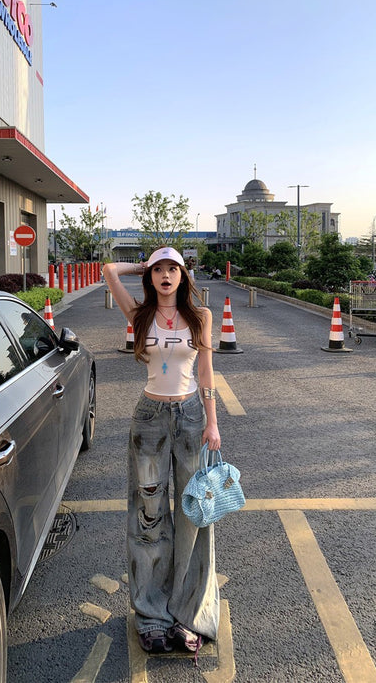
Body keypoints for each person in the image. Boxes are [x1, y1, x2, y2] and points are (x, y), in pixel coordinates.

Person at [102, 247, 221, 658]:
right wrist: (143, 263)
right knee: (148, 514)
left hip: (191, 417)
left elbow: (206, 372)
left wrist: (212, 423)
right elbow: (109, 270)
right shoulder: (139, 315)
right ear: (150, 276)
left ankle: (189, 615)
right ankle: (152, 616)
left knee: (193, 514)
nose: (166, 275)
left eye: (173, 269)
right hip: (149, 419)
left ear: (184, 276)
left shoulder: (200, 316)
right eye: (158, 270)